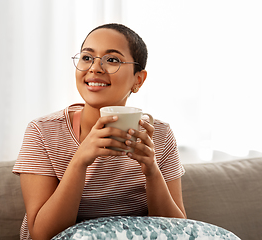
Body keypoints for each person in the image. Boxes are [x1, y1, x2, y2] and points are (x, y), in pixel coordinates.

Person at [12, 23, 186, 240]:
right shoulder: (43, 132)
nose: (94, 68)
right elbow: (42, 235)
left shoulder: (159, 135)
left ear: (138, 80)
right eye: (87, 58)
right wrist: (80, 160)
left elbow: (178, 232)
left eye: (112, 60)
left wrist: (151, 171)